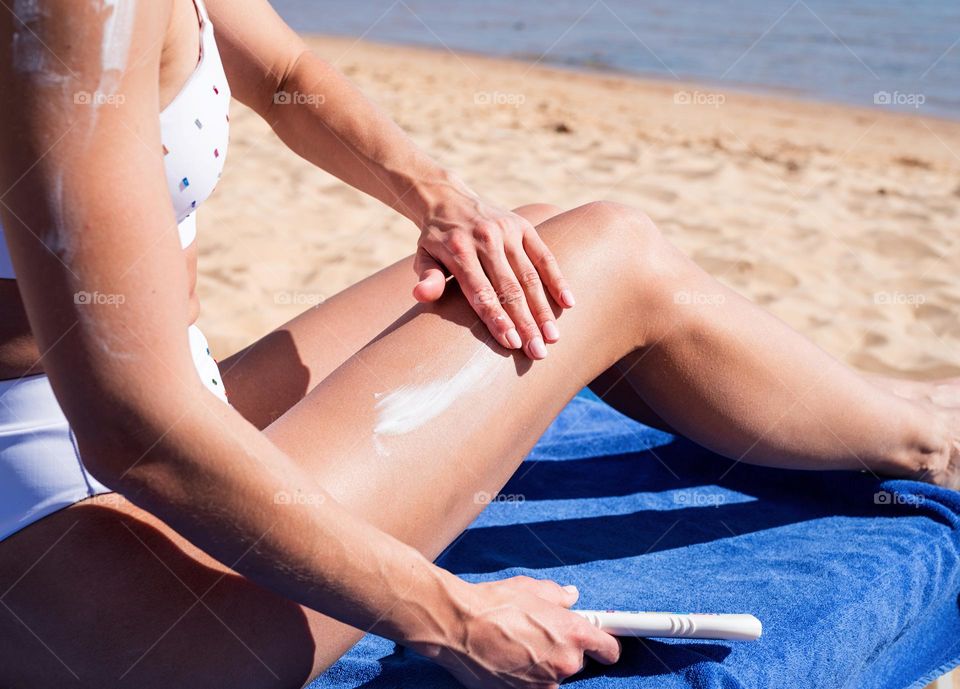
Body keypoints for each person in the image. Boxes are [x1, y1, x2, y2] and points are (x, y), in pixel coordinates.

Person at [0, 0, 956, 686]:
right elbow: (131, 430)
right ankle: (932, 445)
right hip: (100, 594)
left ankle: (909, 409)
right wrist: (446, 612)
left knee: (534, 240)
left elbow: (285, 74)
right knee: (606, 256)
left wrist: (441, 198)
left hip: (95, 438)